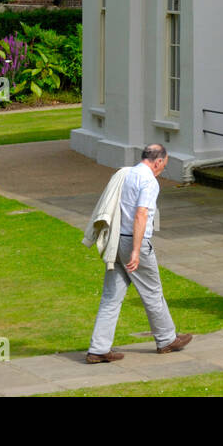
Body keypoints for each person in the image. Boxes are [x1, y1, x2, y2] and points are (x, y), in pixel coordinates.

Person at [86, 144, 192, 363]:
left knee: (111, 297)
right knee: (152, 291)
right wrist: (135, 251)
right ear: (158, 161)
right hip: (133, 242)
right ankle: (166, 339)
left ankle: (98, 349)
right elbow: (141, 214)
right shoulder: (149, 181)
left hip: (116, 241)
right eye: (164, 164)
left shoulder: (127, 173)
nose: (163, 169)